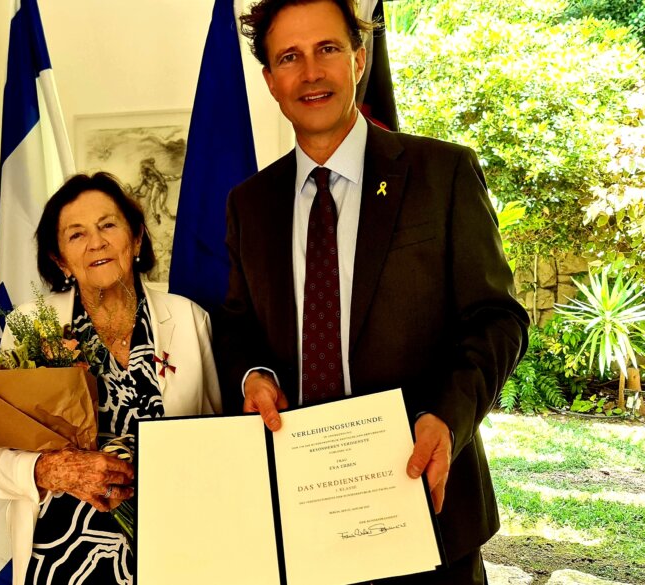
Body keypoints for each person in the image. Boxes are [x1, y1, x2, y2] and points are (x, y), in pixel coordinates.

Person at [216, 0, 529, 583]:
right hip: (302, 511)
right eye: (290, 57)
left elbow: (497, 318)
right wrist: (253, 376)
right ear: (270, 81)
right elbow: (238, 325)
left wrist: (448, 417)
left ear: (358, 60)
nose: (311, 72)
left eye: (328, 49)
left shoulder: (444, 173)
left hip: (425, 504)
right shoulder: (249, 204)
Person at [0, 172, 222, 585]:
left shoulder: (188, 318)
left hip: (173, 548)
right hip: (62, 554)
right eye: (76, 234)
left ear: (136, 239)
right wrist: (50, 471)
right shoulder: (33, 326)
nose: (96, 242)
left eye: (108, 225)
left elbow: (220, 438)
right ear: (59, 259)